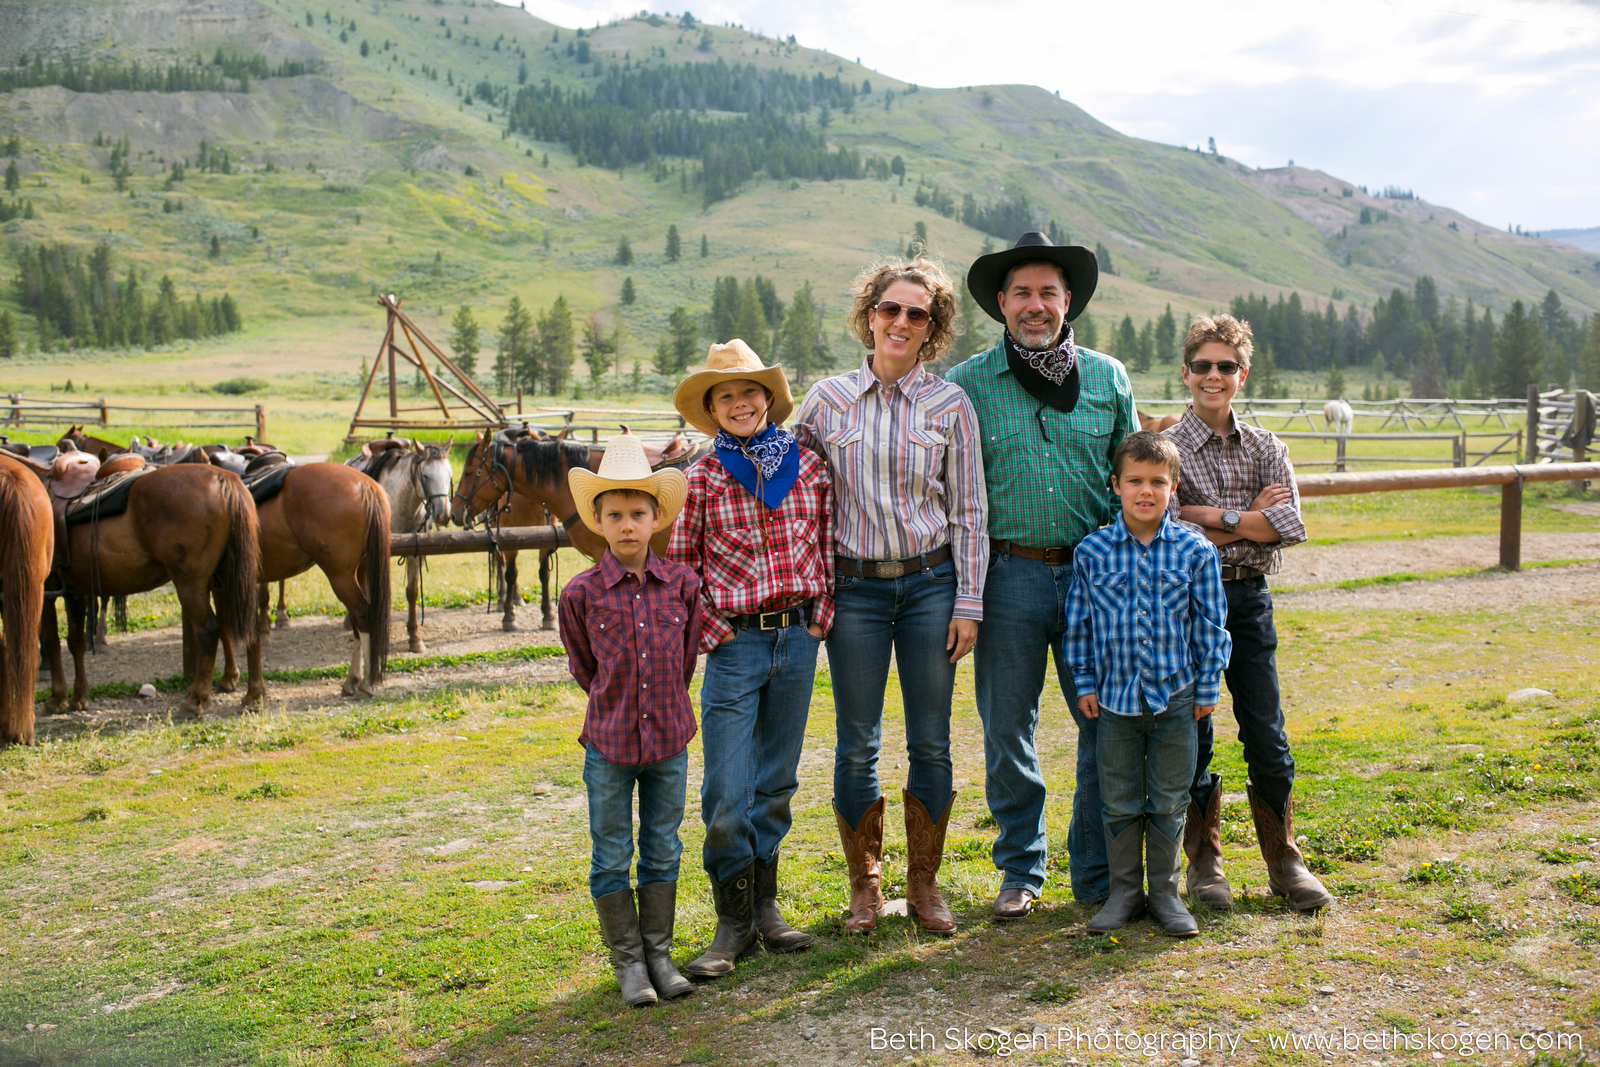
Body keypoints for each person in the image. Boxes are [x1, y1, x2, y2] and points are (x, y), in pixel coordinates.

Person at [793, 256, 987, 936]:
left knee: (932, 741)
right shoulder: (825, 401)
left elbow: (968, 510)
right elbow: (789, 486)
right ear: (868, 314)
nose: (901, 322)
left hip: (932, 583)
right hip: (854, 590)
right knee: (856, 743)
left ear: (931, 329)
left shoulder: (950, 406)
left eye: (917, 313)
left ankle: (925, 885)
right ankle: (865, 887)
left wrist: (970, 603)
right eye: (890, 309)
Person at [944, 232, 1136, 917]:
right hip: (1008, 573)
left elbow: (1134, 479)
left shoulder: (1110, 379)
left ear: (1067, 300)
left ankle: (1096, 868)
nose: (1035, 305)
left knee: (1104, 723)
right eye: (1021, 293)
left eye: (1047, 293)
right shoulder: (967, 383)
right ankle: (1022, 866)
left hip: (1094, 577)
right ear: (1001, 302)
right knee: (1007, 727)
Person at [667, 340, 834, 976]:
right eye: (726, 396)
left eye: (750, 391)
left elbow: (824, 547)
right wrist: (714, 633)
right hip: (736, 645)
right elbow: (684, 570)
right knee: (726, 789)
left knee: (777, 781)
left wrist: (819, 620)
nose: (740, 403)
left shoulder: (809, 470)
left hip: (796, 639)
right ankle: (730, 921)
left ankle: (766, 909)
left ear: (769, 398)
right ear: (711, 410)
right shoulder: (702, 479)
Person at [1163, 315, 1333, 911]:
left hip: (1248, 601)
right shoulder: (1167, 451)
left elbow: (1285, 527)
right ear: (1186, 373)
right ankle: (1204, 859)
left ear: (1243, 374)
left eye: (1226, 366)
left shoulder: (1268, 447)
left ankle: (1283, 856)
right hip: (1184, 605)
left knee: (1265, 727)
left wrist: (1209, 516)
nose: (1214, 376)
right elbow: (1165, 535)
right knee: (1195, 728)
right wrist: (1246, 518)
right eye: (1204, 365)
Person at [1063, 431, 1230, 937]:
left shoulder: (1194, 551)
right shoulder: (1092, 552)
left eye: (1158, 482)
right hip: (1113, 701)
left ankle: (1164, 892)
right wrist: (1085, 682)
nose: (1145, 491)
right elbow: (1079, 624)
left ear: (1173, 487)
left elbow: (1210, 624)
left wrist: (1206, 687)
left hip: (1177, 699)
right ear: (1115, 485)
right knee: (1117, 795)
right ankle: (1124, 892)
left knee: (1169, 796)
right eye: (1135, 480)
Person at [560, 436, 697, 1006]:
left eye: (637, 514)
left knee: (663, 846)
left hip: (668, 740)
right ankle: (629, 963)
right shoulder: (582, 594)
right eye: (613, 515)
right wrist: (617, 705)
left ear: (655, 517)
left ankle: (659, 955)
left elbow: (686, 658)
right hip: (609, 745)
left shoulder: (682, 585)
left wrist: (660, 702)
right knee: (611, 851)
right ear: (597, 520)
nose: (626, 525)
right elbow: (583, 665)